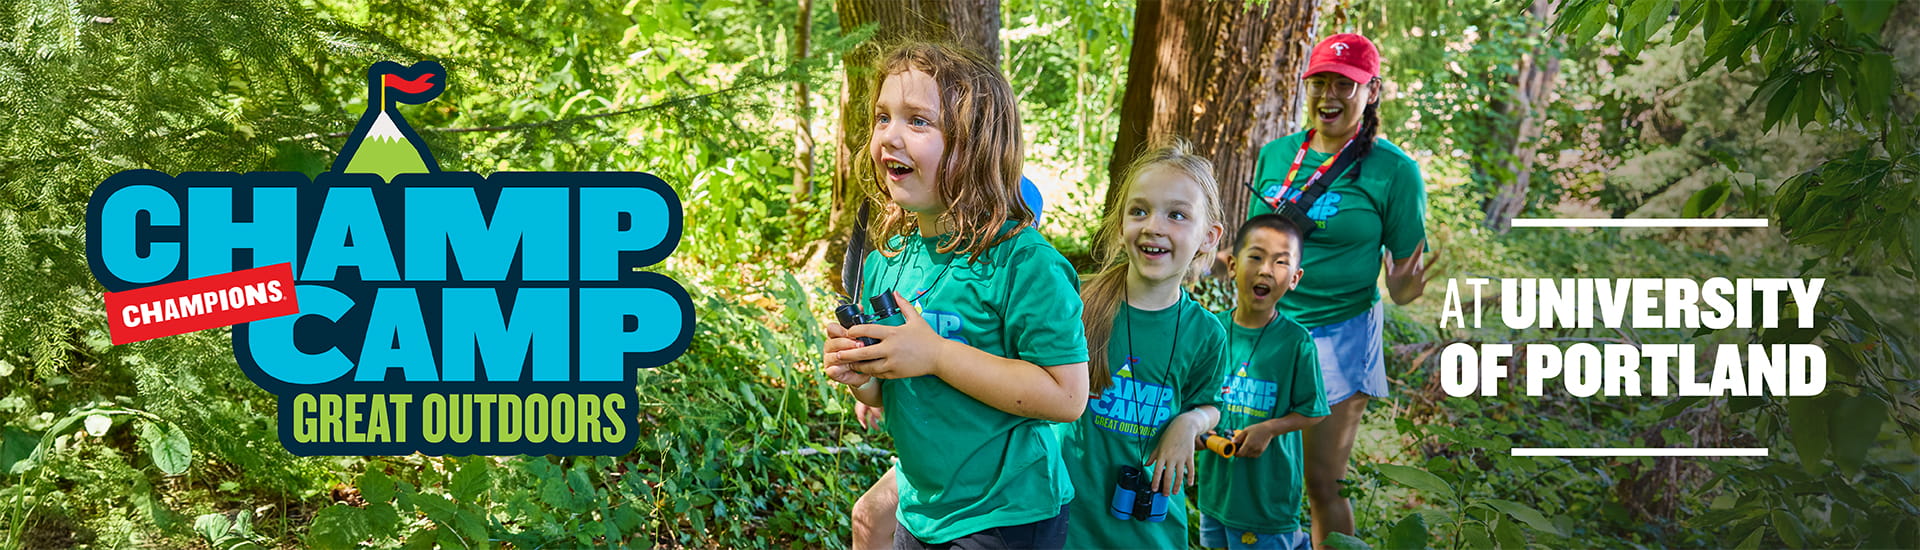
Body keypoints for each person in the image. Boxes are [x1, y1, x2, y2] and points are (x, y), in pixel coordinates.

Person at [822, 41, 1088, 550]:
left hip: (1006, 513)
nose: (890, 136)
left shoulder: (1024, 264)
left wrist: (938, 355)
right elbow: (890, 395)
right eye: (882, 117)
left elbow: (1067, 396)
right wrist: (862, 375)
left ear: (977, 146)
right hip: (922, 507)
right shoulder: (886, 261)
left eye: (918, 121)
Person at [1243, 33, 1441, 547]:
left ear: (1371, 91)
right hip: (1266, 331)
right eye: (1320, 82)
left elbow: (1402, 285)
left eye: (1345, 85)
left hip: (1340, 333)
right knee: (1255, 468)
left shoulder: (1395, 171)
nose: (1329, 95)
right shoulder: (1276, 155)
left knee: (1322, 481)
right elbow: (1255, 245)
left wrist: (1403, 285)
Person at [849, 173, 1049, 550]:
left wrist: (938, 355)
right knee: (868, 515)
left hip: (998, 487)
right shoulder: (907, 264)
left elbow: (1058, 390)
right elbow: (892, 373)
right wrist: (867, 379)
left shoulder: (1020, 272)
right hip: (928, 482)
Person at [1058, 139, 1230, 549]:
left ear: (1208, 237)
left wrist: (1190, 422)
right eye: (1139, 211)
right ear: (1120, 224)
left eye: (1176, 215)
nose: (1154, 226)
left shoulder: (1206, 333)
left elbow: (1210, 404)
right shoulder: (1074, 303)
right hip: (1067, 528)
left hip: (1151, 532)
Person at [1196, 214, 1329, 550]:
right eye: (1255, 257)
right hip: (1216, 493)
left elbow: (1313, 411)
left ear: (1295, 278)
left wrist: (1269, 429)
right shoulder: (1210, 332)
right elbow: (1193, 397)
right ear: (1232, 265)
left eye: (1280, 262)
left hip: (1266, 500)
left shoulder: (1296, 342)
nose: (1266, 270)